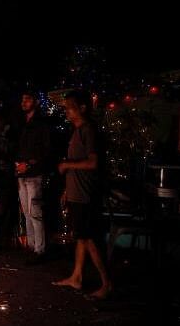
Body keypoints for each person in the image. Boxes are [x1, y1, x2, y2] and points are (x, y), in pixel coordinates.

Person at [52, 90, 112, 299]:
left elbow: (93, 162)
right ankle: (76, 277)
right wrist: (67, 190)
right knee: (81, 237)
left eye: (70, 106)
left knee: (89, 238)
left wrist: (66, 164)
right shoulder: (76, 131)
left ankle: (107, 283)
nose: (66, 110)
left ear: (82, 108)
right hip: (77, 194)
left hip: (86, 195)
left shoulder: (88, 130)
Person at [16, 91, 51, 264]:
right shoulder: (23, 124)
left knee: (35, 212)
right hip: (21, 173)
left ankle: (40, 250)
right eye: (23, 99)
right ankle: (31, 246)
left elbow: (46, 150)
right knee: (27, 212)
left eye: (27, 99)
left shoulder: (41, 124)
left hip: (34, 174)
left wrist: (29, 164)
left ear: (35, 102)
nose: (24, 102)